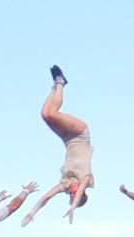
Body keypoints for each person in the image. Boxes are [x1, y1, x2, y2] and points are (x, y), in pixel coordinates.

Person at [22, 65, 93, 226]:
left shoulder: (65, 184)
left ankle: (55, 85)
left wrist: (32, 212)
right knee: (53, 114)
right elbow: (81, 188)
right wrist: (73, 207)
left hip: (67, 139)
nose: (71, 193)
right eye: (73, 195)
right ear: (80, 195)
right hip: (80, 134)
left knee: (45, 115)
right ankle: (61, 82)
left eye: (71, 196)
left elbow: (46, 197)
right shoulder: (86, 179)